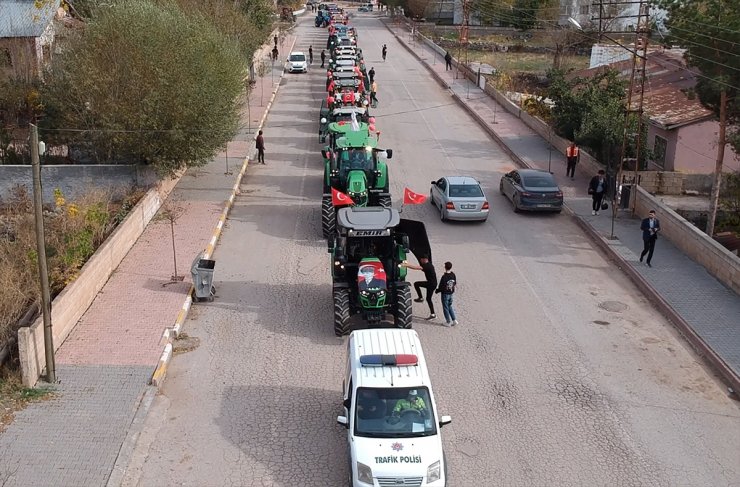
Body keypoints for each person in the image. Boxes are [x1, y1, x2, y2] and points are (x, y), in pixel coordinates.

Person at [435, 261, 457, 327]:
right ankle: (454, 320)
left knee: (445, 307)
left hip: (445, 294)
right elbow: (455, 283)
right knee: (450, 306)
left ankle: (448, 322)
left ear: (445, 267)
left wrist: (437, 291)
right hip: (451, 293)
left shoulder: (444, 277)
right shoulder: (453, 274)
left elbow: (441, 286)